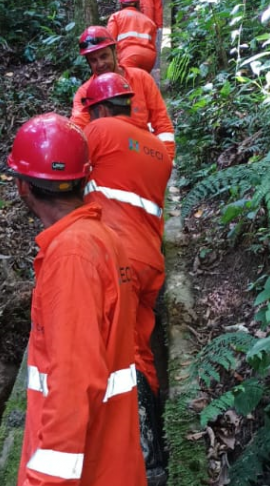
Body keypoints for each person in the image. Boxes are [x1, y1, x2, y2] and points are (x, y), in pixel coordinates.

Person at [7, 113, 146, 486]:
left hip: (87, 471)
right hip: (109, 458)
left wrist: (43, 482)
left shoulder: (71, 256)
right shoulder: (102, 238)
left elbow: (73, 382)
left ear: (23, 187)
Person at [82, 73, 171, 485]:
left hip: (117, 258)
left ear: (100, 108)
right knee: (141, 347)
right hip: (151, 260)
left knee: (122, 352)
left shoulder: (98, 130)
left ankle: (146, 460)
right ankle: (154, 452)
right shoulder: (157, 148)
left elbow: (68, 171)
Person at [72, 26, 175, 160]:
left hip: (143, 156)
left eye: (104, 56)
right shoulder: (84, 93)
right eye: (93, 60)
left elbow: (162, 123)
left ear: (115, 52)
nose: (100, 64)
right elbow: (79, 132)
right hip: (108, 161)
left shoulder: (141, 79)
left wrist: (166, 160)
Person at [107, 0, 158, 73]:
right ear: (137, 3)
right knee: (141, 82)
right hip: (149, 58)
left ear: (121, 3)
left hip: (129, 55)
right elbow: (153, 43)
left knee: (127, 83)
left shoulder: (116, 16)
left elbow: (110, 41)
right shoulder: (149, 21)